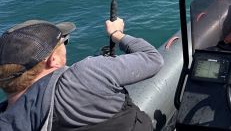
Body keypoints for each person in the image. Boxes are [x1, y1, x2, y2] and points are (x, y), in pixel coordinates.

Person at [0, 18, 163, 131]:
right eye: (64, 42)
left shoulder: (6, 121)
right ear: (53, 60)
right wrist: (116, 34)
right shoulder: (85, 75)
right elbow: (152, 58)